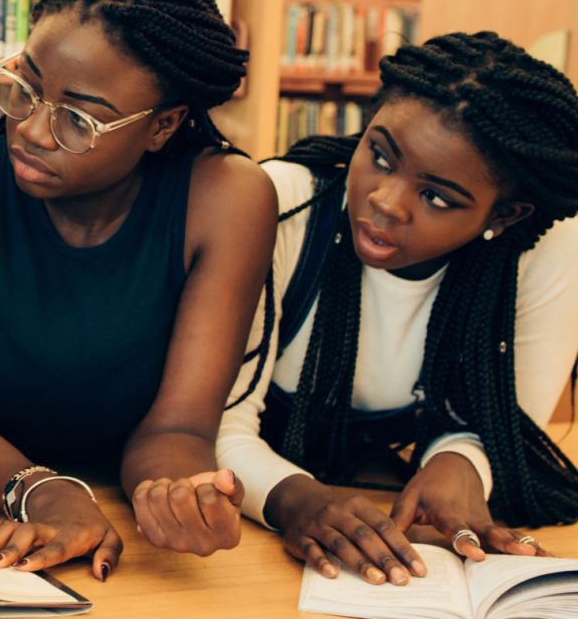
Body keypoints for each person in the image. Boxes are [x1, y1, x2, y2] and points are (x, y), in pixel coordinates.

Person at [0, 0, 277, 580]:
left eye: (77, 120)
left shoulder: (227, 198)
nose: (29, 128)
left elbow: (178, 427)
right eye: (26, 89)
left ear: (162, 125)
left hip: (117, 517)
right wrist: (44, 492)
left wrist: (177, 495)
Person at [219, 31, 578, 586]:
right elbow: (209, 422)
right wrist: (299, 502)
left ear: (503, 216)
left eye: (436, 196)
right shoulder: (281, 203)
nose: (386, 201)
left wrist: (459, 463)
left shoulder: (544, 253)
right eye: (380, 155)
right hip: (242, 534)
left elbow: (508, 428)